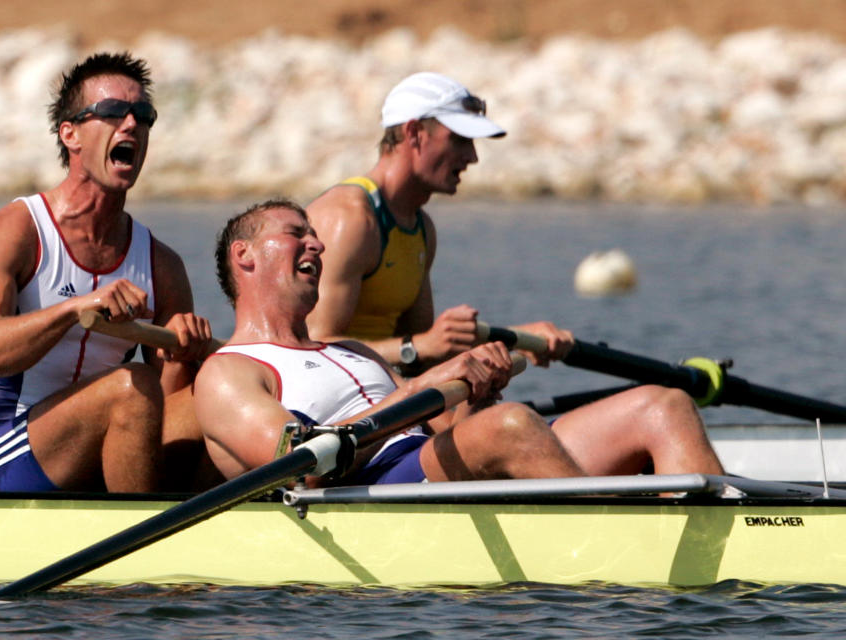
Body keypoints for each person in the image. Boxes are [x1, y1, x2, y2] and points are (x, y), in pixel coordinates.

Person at [304, 71, 725, 478]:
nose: (472, 157)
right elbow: (314, 348)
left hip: (419, 417)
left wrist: (510, 338)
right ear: (414, 133)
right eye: (460, 140)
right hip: (361, 441)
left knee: (666, 405)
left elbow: (426, 354)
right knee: (511, 423)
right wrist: (419, 348)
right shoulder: (350, 219)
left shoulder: (419, 228)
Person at [191, 200, 723, 487]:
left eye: (315, 234)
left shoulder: (352, 351)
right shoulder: (230, 371)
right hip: (362, 488)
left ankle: (730, 540)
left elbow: (451, 428)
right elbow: (303, 462)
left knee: (663, 404)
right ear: (246, 256)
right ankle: (629, 545)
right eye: (295, 232)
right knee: (510, 426)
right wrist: (427, 383)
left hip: (429, 461)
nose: (318, 243)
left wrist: (477, 387)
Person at [0, 52, 215, 492]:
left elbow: (168, 402)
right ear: (70, 134)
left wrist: (185, 354)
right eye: (112, 112)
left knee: (223, 392)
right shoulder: (9, 232)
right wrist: (74, 309)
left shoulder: (161, 264)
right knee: (130, 386)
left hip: (100, 447)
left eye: (143, 115)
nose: (131, 125)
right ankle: (144, 547)